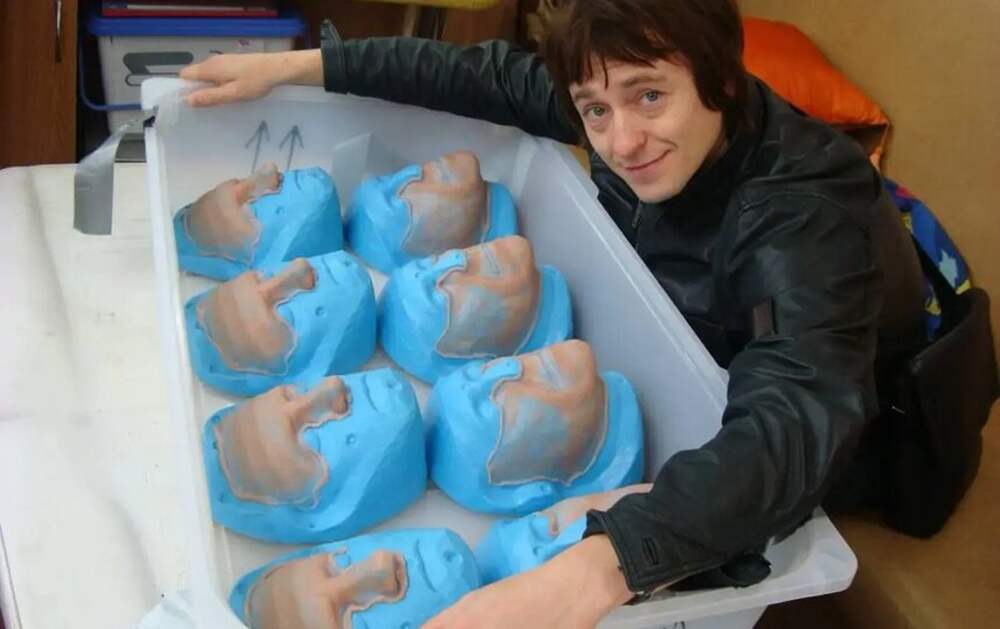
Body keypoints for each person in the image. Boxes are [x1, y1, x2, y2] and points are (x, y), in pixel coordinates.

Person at [181, 0, 926, 626]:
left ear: (722, 78)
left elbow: (798, 421)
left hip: (842, 437)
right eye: (595, 109)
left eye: (649, 97)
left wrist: (605, 563)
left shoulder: (804, 220)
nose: (622, 140)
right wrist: (304, 66)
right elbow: (481, 76)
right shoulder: (617, 109)